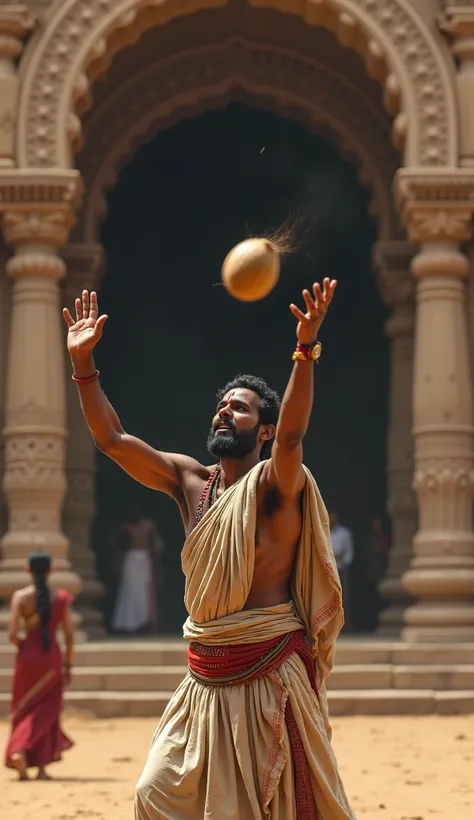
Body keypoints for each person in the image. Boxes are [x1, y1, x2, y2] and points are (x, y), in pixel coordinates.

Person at [63, 283, 355, 820]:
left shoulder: (275, 487)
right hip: (205, 676)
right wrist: (84, 366)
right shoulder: (189, 481)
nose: (225, 413)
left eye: (240, 409)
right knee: (154, 792)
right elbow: (112, 439)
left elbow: (292, 438)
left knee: (267, 808)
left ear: (263, 430)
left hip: (268, 673)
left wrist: (305, 349)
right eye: (222, 406)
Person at [4, 551, 74, 781]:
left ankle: (19, 750)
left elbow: (13, 633)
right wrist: (69, 664)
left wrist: (24, 645)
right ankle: (41, 767)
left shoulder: (20, 598)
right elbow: (69, 636)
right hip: (51, 658)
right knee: (47, 711)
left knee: (25, 708)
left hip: (27, 658)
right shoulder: (61, 598)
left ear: (28, 571)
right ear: (50, 571)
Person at [112, 503, 165, 634]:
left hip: (144, 558)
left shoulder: (149, 526)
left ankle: (145, 622)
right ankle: (129, 623)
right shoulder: (127, 528)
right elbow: (113, 539)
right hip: (131, 558)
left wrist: (156, 563)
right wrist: (120, 553)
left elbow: (156, 545)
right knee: (130, 590)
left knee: (144, 591)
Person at [329, 512, 355, 632]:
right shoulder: (323, 531)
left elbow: (349, 553)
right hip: (326, 571)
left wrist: (342, 563)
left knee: (343, 599)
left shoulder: (344, 533)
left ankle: (345, 627)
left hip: (340, 570)